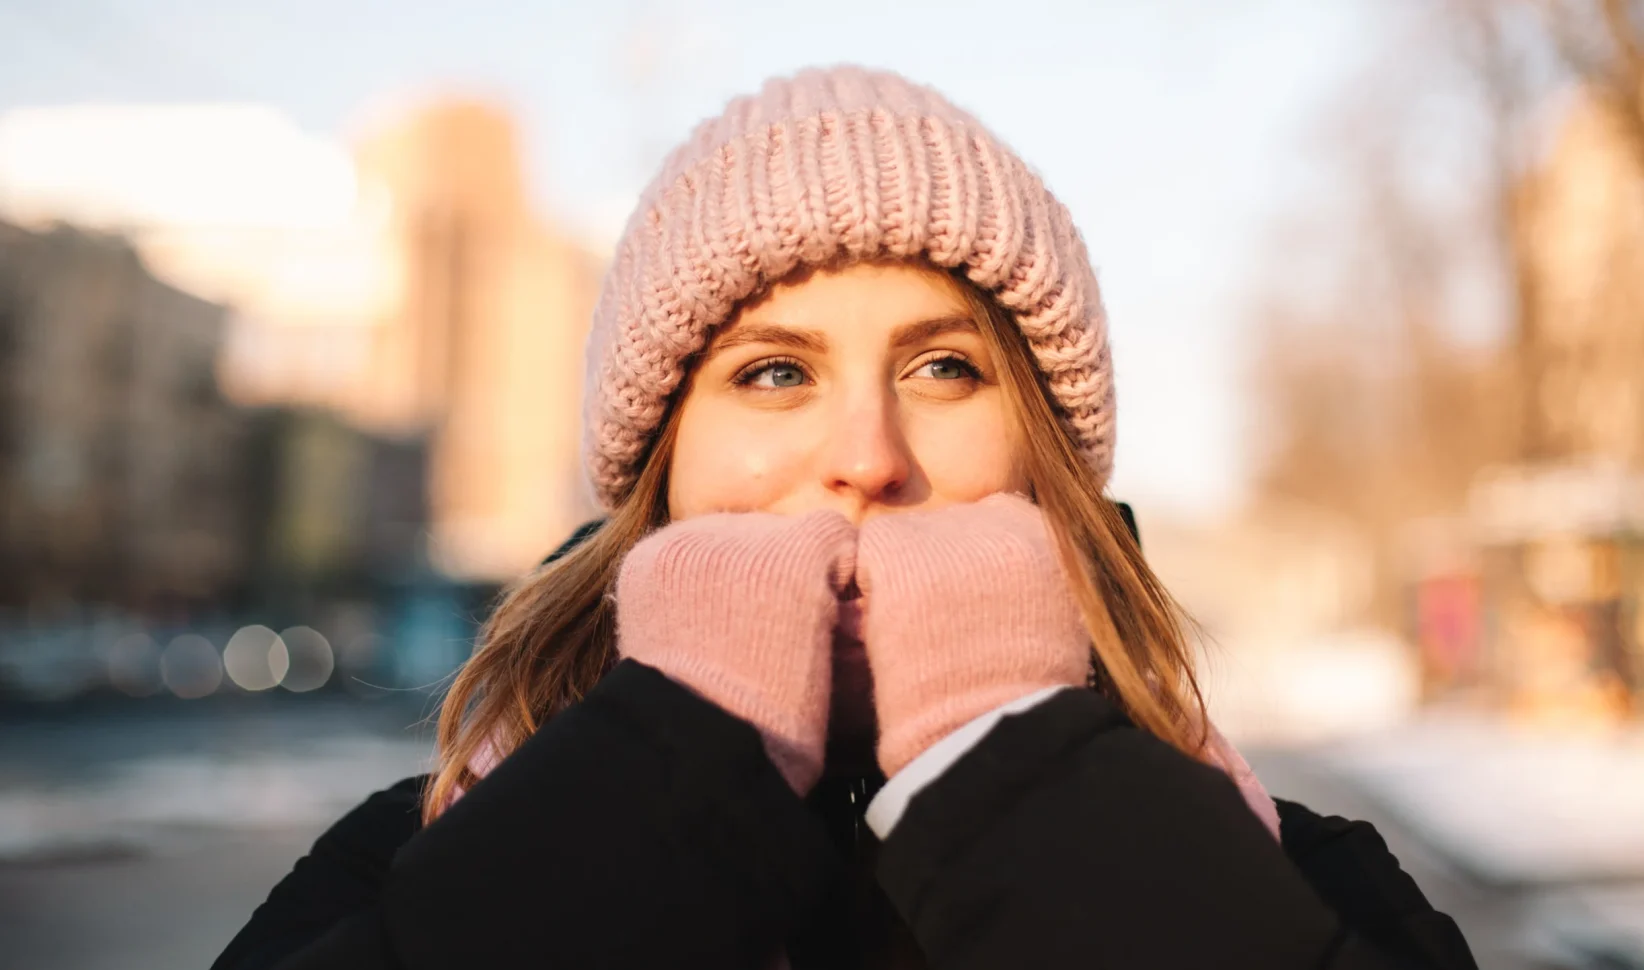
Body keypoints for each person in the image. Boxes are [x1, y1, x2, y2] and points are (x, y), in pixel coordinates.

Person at [212, 66, 1478, 970]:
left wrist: (1014, 774)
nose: (866, 459)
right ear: (662, 460)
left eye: (944, 369)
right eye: (774, 372)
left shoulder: (1301, 877)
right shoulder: (422, 854)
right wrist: (673, 767)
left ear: (1044, 455)